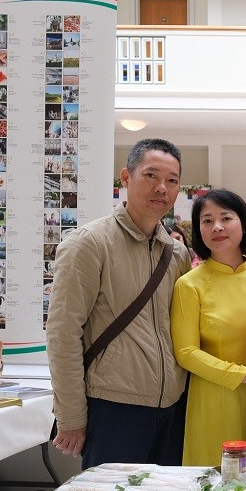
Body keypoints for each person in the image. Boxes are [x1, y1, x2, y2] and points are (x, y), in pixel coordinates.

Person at [48, 137, 191, 467]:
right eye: (151, 176)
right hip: (113, 407)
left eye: (172, 181)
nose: (162, 188)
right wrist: (70, 415)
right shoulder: (89, 244)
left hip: (172, 408)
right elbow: (62, 335)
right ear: (126, 178)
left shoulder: (177, 253)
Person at [170, 189, 246, 466]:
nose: (217, 227)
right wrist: (244, 374)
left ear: (243, 223)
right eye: (207, 221)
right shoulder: (189, 284)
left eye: (226, 217)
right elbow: (186, 352)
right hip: (213, 401)